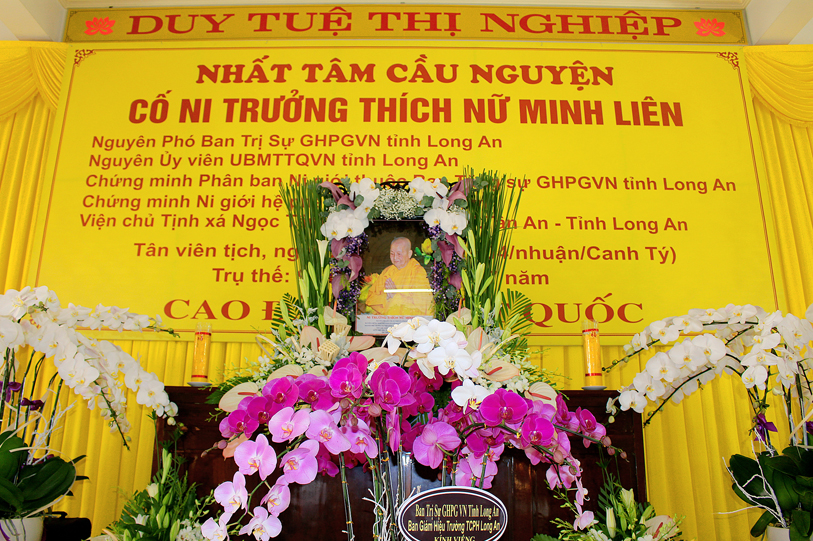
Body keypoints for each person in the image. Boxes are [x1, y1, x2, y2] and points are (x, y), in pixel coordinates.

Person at [363, 237, 435, 316]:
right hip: (386, 320)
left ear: (409, 254)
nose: (395, 257)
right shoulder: (387, 271)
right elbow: (371, 298)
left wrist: (395, 295)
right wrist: (386, 297)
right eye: (392, 253)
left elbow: (423, 306)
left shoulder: (417, 272)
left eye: (399, 254)